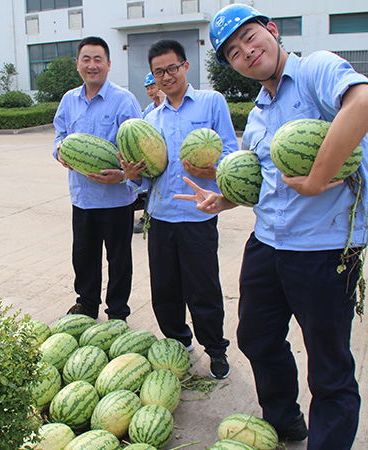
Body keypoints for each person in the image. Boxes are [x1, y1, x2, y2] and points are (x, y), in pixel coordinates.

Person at [176, 4, 368, 448]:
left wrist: (318, 178)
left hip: (325, 247)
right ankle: (285, 421)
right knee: (256, 337)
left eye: (250, 38)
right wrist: (224, 199)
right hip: (268, 243)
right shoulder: (259, 113)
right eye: (233, 52)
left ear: (271, 30)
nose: (246, 52)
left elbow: (365, 102)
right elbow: (265, 184)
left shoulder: (315, 71)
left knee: (328, 366)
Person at [121, 39, 239, 379]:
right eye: (159, 72)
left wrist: (212, 171)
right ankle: (178, 342)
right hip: (159, 217)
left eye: (172, 68)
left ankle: (215, 348)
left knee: (203, 288)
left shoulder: (211, 102)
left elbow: (231, 154)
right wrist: (132, 175)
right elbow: (147, 176)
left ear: (185, 66)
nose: (166, 76)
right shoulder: (149, 119)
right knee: (165, 290)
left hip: (198, 215)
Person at [53, 36, 143, 321]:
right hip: (82, 198)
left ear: (108, 64)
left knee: (119, 260)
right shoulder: (69, 100)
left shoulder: (124, 100)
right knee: (83, 256)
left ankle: (117, 312)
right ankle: (87, 304)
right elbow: (60, 136)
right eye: (86, 59)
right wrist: (60, 152)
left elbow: (138, 147)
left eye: (98, 59)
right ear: (78, 64)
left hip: (117, 199)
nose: (92, 65)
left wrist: (122, 176)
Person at [133, 72, 165, 234]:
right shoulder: (149, 110)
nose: (150, 91)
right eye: (147, 88)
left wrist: (163, 103)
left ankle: (148, 216)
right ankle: (147, 215)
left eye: (153, 87)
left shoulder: (167, 105)